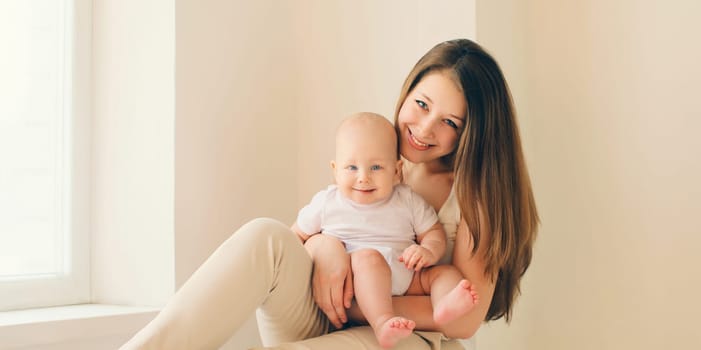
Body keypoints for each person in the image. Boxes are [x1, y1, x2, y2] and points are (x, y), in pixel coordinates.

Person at [121, 38, 539, 350]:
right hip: (327, 314)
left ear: (474, 134)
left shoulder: (472, 197)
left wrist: (368, 305)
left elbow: (465, 323)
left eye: (451, 122)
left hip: (407, 336)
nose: (426, 128)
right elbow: (306, 232)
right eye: (422, 104)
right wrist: (323, 248)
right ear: (407, 92)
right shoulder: (373, 157)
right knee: (265, 236)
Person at [292, 112, 479, 348]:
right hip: (360, 279)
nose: (363, 178)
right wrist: (315, 252)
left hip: (407, 275)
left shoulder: (407, 199)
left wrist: (428, 251)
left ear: (396, 171)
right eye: (351, 167)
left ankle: (442, 307)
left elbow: (433, 232)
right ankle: (382, 322)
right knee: (369, 258)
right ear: (335, 169)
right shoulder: (327, 202)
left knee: (446, 273)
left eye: (376, 167)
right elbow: (295, 237)